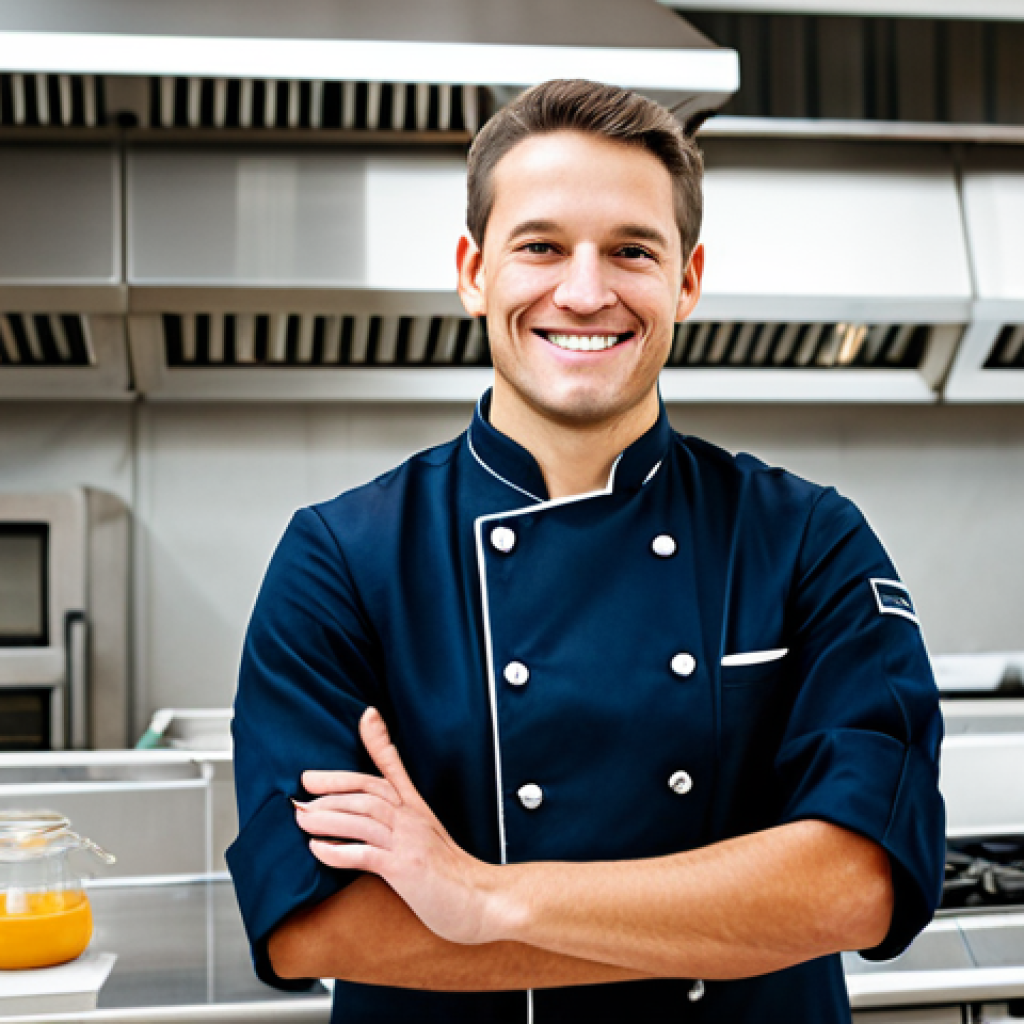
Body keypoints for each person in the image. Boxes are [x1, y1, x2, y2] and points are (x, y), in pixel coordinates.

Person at [227, 79, 945, 1024]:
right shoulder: (345, 560)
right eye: (541, 247)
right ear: (472, 272)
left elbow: (861, 881)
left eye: (631, 251)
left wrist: (486, 899)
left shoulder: (806, 537)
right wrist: (725, 925)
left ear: (685, 282)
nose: (585, 291)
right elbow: (313, 920)